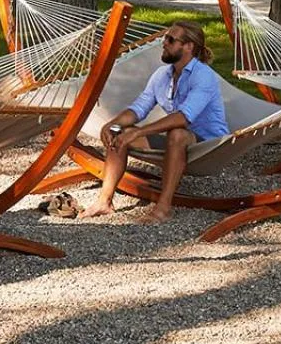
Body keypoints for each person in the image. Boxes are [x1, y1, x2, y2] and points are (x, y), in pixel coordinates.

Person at [81, 20, 227, 223]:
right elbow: (138, 108)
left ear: (188, 47)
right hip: (178, 140)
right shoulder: (162, 75)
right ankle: (104, 201)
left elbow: (183, 117)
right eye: (164, 38)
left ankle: (164, 208)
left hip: (209, 144)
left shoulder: (203, 76)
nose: (163, 43)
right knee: (119, 133)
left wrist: (139, 132)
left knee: (176, 133)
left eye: (170, 39)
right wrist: (111, 124)